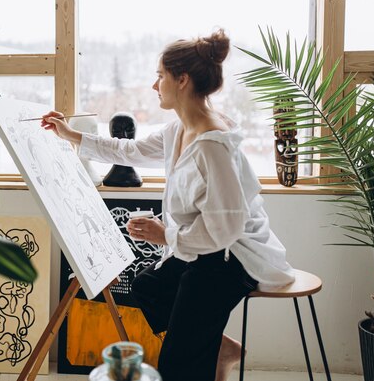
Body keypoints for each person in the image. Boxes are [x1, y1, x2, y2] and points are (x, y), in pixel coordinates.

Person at [41, 29, 295, 381]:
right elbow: (129, 150)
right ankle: (217, 347)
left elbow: (226, 231)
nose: (154, 84)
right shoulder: (178, 129)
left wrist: (167, 235)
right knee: (148, 286)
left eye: (159, 76)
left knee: (176, 364)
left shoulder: (213, 146)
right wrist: (70, 135)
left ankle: (200, 351)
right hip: (205, 249)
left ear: (182, 79)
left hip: (232, 258)